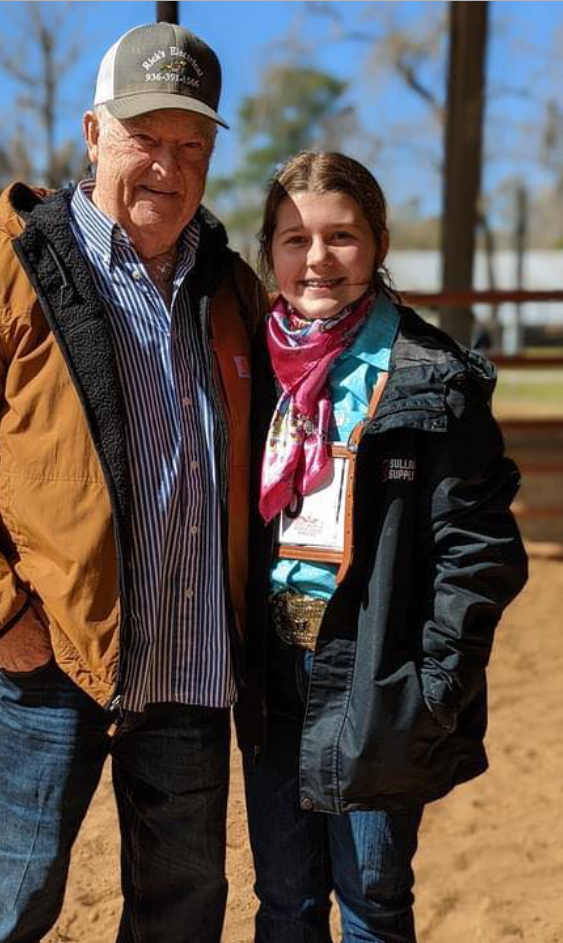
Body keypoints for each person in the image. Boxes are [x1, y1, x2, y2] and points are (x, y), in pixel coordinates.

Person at [0, 23, 267, 943]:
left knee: (182, 918)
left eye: (191, 145)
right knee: (11, 914)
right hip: (45, 668)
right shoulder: (2, 273)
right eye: (145, 137)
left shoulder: (231, 291)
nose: (167, 166)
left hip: (190, 671)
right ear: (93, 134)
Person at [237, 152, 528, 943]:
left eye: (342, 236)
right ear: (269, 251)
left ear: (378, 242)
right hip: (272, 666)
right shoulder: (247, 368)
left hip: (377, 669)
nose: (317, 259)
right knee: (284, 899)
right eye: (295, 238)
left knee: (372, 901)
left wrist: (434, 685)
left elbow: (479, 552)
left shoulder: (434, 376)